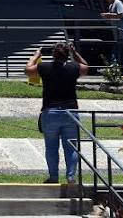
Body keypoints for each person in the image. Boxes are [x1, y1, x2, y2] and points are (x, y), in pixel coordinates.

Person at [25, 40, 88, 184]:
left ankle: (53, 177)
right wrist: (75, 53)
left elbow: (28, 70)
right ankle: (71, 176)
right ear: (67, 55)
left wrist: (35, 55)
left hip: (50, 111)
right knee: (71, 147)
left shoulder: (44, 67)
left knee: (51, 147)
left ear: (53, 54)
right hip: (70, 111)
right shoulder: (74, 67)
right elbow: (86, 67)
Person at [101, 0, 123, 70]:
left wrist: (108, 15)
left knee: (116, 51)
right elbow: (113, 18)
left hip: (122, 32)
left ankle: (113, 68)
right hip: (117, 33)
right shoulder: (111, 6)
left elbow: (121, 15)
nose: (106, 0)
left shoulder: (118, 3)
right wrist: (107, 17)